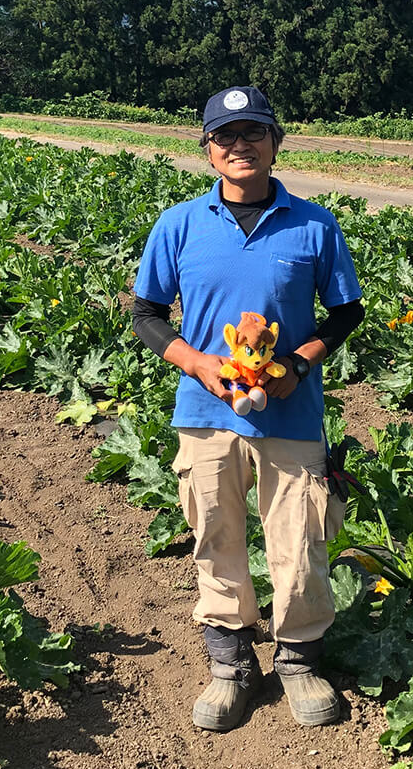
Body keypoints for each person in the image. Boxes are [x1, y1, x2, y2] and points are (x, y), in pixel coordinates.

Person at [131, 85, 364, 732]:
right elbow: (146, 315)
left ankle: (298, 661)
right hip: (205, 414)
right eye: (225, 136)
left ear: (274, 142)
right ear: (208, 151)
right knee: (216, 537)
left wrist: (297, 363)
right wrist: (200, 364)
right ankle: (231, 665)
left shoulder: (314, 223)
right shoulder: (177, 225)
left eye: (253, 133)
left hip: (290, 414)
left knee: (299, 541)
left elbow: (347, 311)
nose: (240, 145)